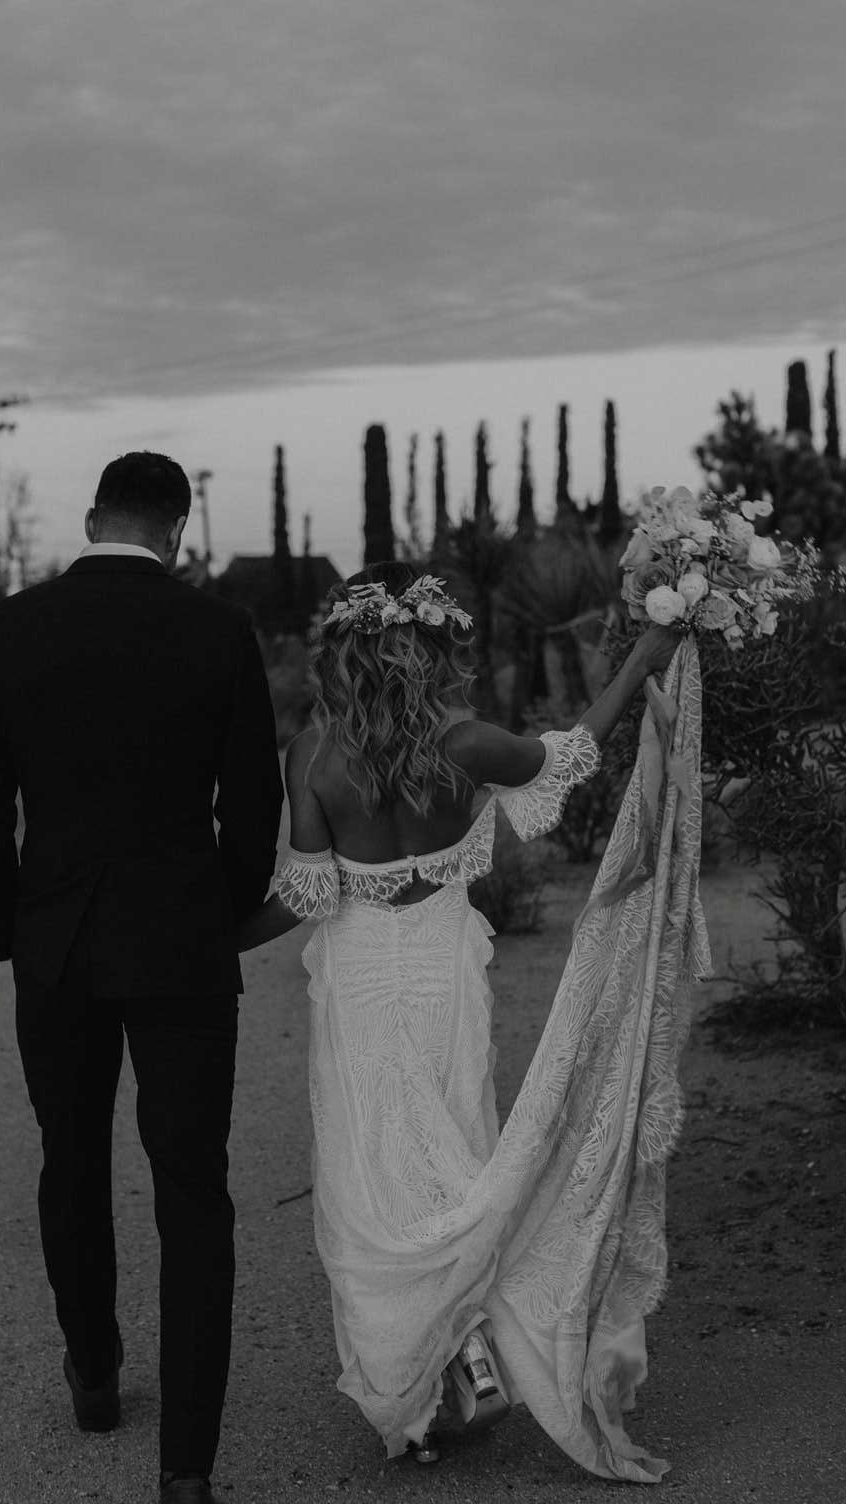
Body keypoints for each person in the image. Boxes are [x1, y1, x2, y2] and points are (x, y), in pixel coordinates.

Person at [238, 562, 691, 1483]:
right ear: (431, 646)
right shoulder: (468, 741)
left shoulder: (313, 754)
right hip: (443, 968)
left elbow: (305, 894)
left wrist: (209, 949)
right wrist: (640, 657)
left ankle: (414, 1391)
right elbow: (571, 751)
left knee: (372, 1167)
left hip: (361, 979)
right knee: (457, 1145)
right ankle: (473, 1343)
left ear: (347, 649)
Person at [0, 452, 283, 1504]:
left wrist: (14, 930)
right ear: (176, 532)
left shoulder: (6, 629)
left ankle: (93, 1371)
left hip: (55, 942)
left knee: (71, 1155)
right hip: (181, 938)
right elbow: (253, 806)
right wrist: (218, 919)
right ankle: (185, 1466)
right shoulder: (219, 632)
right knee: (193, 1187)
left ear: (92, 517)